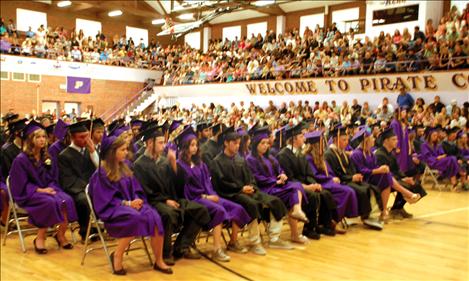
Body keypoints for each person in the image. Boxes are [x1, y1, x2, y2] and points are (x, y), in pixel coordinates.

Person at [89, 132, 172, 275]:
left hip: (132, 205)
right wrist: (128, 203)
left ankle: (159, 261)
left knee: (155, 217)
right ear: (111, 152)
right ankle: (117, 255)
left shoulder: (125, 167)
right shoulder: (101, 173)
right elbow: (105, 199)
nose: (126, 153)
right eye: (122, 150)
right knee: (134, 218)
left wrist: (137, 200)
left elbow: (136, 189)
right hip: (113, 209)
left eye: (126, 149)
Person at [133, 124, 210, 264]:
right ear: (150, 143)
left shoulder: (164, 161)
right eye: (161, 142)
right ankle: (165, 253)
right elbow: (145, 191)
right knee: (168, 214)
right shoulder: (139, 164)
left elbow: (177, 185)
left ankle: (181, 247)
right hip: (154, 202)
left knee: (201, 210)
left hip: (172, 198)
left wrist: (174, 165)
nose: (164, 146)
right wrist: (165, 200)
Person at [175, 126, 251, 262]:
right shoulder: (180, 165)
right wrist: (207, 197)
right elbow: (186, 191)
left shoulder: (200, 163)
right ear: (185, 147)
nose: (195, 148)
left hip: (209, 195)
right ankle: (217, 249)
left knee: (237, 208)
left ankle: (233, 242)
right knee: (219, 210)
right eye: (192, 145)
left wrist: (212, 195)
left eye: (196, 145)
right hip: (195, 199)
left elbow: (207, 184)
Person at [212, 126, 293, 253]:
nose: (237, 146)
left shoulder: (240, 159)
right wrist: (241, 188)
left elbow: (250, 177)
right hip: (231, 194)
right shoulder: (217, 161)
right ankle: (255, 242)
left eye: (239, 143)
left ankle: (274, 238)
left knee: (275, 200)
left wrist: (250, 186)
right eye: (234, 143)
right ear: (226, 143)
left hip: (246, 191)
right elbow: (221, 183)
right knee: (252, 204)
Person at [9, 120, 77, 254]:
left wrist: (52, 188)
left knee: (67, 200)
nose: (42, 140)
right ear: (30, 139)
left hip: (48, 189)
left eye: (44, 137)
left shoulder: (47, 157)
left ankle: (60, 234)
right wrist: (41, 190)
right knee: (49, 202)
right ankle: (40, 238)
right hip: (28, 193)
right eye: (38, 137)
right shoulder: (21, 160)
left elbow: (53, 177)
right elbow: (19, 183)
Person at [245, 127, 312, 245]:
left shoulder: (269, 157)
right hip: (265, 188)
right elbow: (255, 177)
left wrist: (282, 175)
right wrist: (275, 182)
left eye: (267, 143)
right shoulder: (250, 159)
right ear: (255, 144)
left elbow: (279, 169)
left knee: (294, 190)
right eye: (262, 143)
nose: (266, 146)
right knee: (294, 189)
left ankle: (295, 227)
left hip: (276, 186)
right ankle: (296, 216)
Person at [277, 123, 337, 239]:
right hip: (295, 188)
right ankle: (308, 228)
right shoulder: (283, 155)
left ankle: (322, 224)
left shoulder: (299, 153)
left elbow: (308, 173)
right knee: (313, 196)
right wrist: (307, 187)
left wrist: (314, 184)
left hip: (305, 185)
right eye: (301, 136)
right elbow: (290, 178)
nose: (304, 138)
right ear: (294, 139)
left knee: (325, 193)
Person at [324, 125, 383, 230]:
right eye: (343, 140)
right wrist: (351, 178)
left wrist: (356, 175)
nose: (346, 142)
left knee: (371, 187)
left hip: (349, 179)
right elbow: (335, 173)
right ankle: (366, 216)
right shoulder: (329, 154)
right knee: (362, 190)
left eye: (347, 139)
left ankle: (371, 216)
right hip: (342, 182)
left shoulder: (343, 153)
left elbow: (350, 168)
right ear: (335, 140)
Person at [303, 131, 359, 230]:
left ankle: (334, 219)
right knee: (346, 191)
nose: (324, 145)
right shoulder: (308, 158)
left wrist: (334, 177)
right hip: (321, 183)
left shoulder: (321, 156)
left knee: (348, 190)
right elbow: (314, 175)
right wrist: (330, 178)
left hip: (328, 182)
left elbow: (329, 171)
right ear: (316, 145)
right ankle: (334, 219)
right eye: (321, 143)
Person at [58, 120, 98, 241]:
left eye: (87, 136)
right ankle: (85, 231)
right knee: (83, 200)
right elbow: (68, 179)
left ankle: (100, 227)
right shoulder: (64, 155)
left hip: (91, 186)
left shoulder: (89, 150)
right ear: (73, 138)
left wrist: (93, 151)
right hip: (75, 189)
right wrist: (87, 188)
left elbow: (99, 168)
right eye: (82, 137)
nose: (86, 140)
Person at [375, 128, 427, 219]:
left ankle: (397, 208)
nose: (396, 141)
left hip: (394, 179)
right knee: (405, 184)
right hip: (383, 182)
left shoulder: (391, 153)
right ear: (386, 141)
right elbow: (386, 174)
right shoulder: (380, 154)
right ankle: (393, 209)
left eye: (396, 139)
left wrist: (405, 177)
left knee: (414, 184)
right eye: (394, 139)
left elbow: (397, 170)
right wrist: (402, 179)